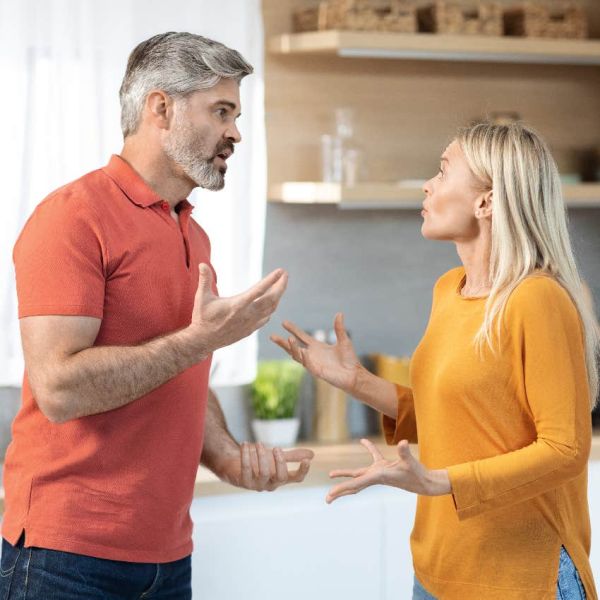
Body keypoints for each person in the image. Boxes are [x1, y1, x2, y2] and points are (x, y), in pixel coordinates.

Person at [0, 32, 313, 599]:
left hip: (169, 556)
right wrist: (199, 341)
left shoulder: (192, 232)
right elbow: (59, 389)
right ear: (161, 108)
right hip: (64, 558)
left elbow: (177, 372)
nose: (235, 133)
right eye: (221, 111)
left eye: (236, 115)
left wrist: (228, 457)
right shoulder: (72, 219)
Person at [273, 122, 599, 599]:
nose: (428, 184)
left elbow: (566, 450)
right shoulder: (449, 290)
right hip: (437, 570)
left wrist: (438, 480)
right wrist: (355, 380)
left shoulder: (537, 299)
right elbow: (456, 418)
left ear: (486, 202)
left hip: (519, 578)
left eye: (443, 172)